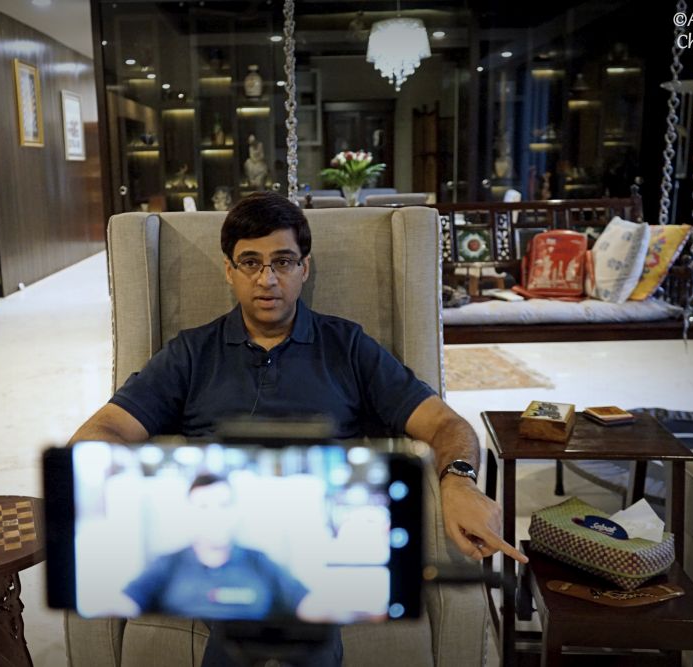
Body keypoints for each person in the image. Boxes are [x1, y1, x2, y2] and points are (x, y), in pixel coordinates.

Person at [69, 191, 527, 664]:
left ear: (304, 268)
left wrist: (458, 480)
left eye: (283, 262)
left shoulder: (347, 346)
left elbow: (445, 424)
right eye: (251, 262)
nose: (267, 279)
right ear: (229, 271)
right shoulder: (191, 353)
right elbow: (102, 431)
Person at [118, 473, 326, 622]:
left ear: (234, 513)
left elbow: (306, 603)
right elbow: (126, 603)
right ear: (190, 515)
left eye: (223, 505)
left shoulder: (259, 561)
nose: (214, 515)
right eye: (204, 507)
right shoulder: (169, 564)